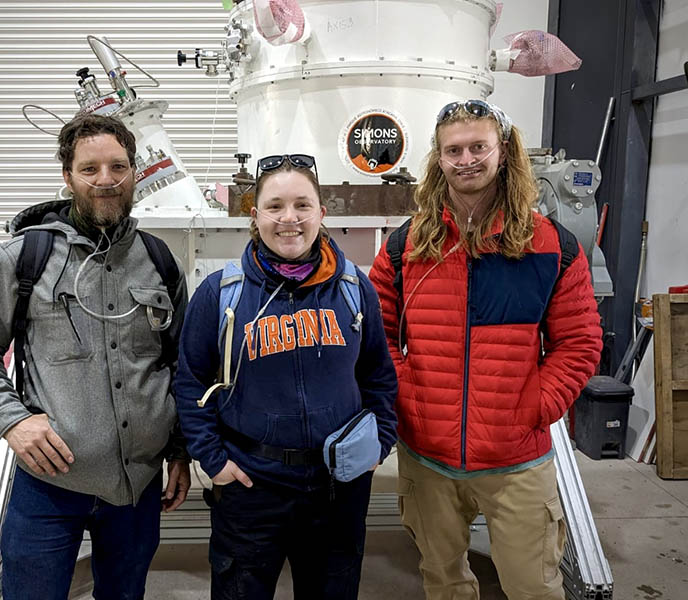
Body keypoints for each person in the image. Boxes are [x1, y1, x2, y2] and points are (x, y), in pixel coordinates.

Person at [368, 100, 603, 600]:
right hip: (427, 459)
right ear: (439, 158)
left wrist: (534, 407)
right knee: (443, 582)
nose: (466, 159)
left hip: (516, 461)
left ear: (503, 150)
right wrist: (409, 398)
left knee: (534, 587)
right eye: (453, 149)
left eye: (478, 146)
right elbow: (376, 338)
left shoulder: (550, 246)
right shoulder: (405, 246)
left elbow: (579, 344)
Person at [0, 114, 191, 600]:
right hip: (49, 485)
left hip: (137, 486)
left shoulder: (160, 261)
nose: (106, 180)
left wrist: (180, 450)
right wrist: (12, 420)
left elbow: (179, 364)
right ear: (68, 176)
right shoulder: (25, 257)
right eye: (90, 169)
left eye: (118, 167)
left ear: (134, 173)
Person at [175, 153, 398, 600]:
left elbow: (378, 374)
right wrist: (215, 463)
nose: (289, 219)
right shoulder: (220, 294)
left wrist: (381, 441)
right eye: (275, 206)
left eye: (302, 205)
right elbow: (189, 384)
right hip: (251, 484)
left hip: (339, 485)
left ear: (322, 214)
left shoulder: (355, 288)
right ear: (254, 216)